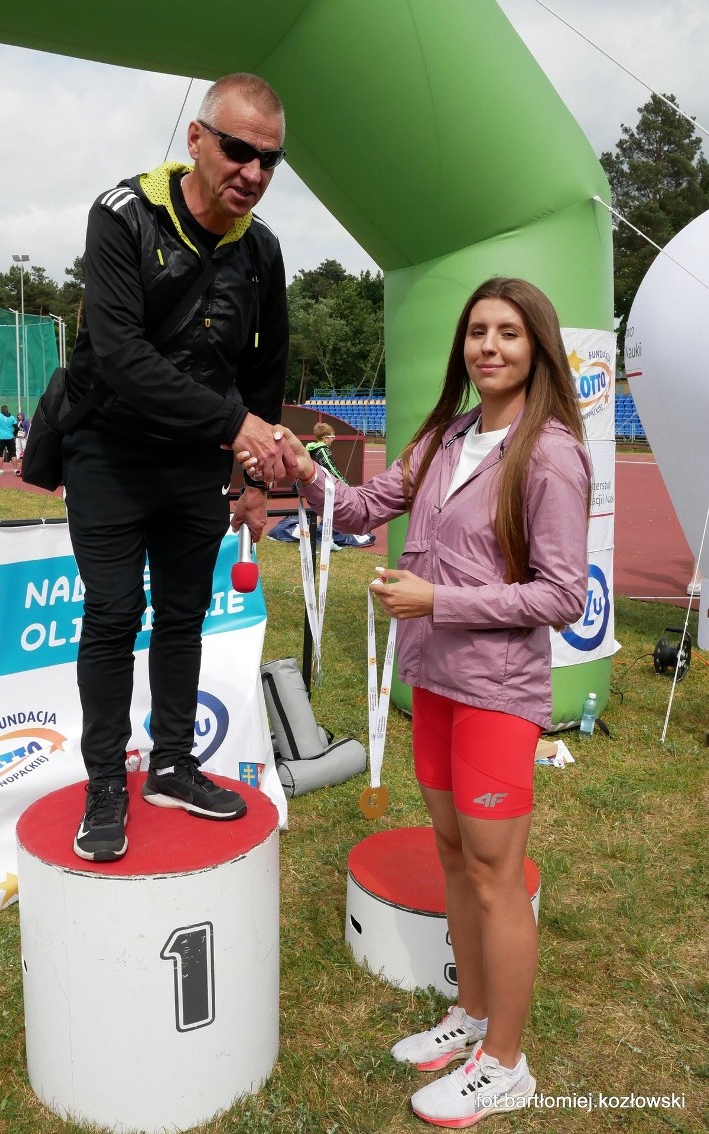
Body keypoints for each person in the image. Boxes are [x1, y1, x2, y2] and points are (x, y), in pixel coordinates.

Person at [265, 278, 591, 1128]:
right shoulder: (449, 436)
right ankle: (472, 1019)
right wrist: (307, 471)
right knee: (454, 855)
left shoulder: (551, 453)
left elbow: (561, 595)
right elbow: (366, 507)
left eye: (509, 334)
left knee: (496, 877)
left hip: (496, 692)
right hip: (434, 684)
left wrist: (437, 600)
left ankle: (508, 1065)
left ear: (537, 349)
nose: (489, 346)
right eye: (477, 332)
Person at [63, 72, 291, 862]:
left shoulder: (263, 251)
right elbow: (120, 357)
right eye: (238, 151)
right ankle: (103, 782)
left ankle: (171, 764)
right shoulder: (121, 215)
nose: (253, 174)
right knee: (114, 616)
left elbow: (267, 377)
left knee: (185, 618)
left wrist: (256, 482)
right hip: (109, 454)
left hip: (196, 466)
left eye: (270, 161)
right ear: (197, 140)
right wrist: (236, 427)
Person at [0, 404, 17, 472]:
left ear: (1, 410)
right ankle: (15, 470)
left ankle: (1, 470)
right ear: (7, 410)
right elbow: (17, 428)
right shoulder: (12, 417)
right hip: (10, 437)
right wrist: (13, 435)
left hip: (0, 438)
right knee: (13, 453)